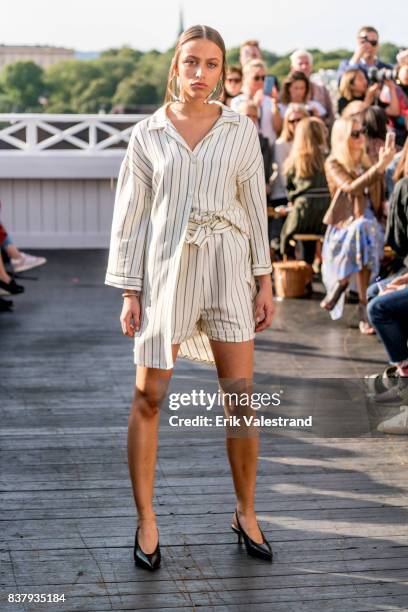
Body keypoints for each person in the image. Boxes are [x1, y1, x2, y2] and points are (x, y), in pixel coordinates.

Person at [105, 24, 274, 572]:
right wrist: (131, 290)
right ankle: (147, 520)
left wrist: (264, 277)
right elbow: (129, 218)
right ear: (174, 67)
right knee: (148, 397)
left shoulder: (240, 130)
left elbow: (254, 207)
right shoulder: (147, 135)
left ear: (223, 71)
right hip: (166, 271)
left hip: (228, 265)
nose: (200, 73)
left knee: (241, 398)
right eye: (190, 62)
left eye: (211, 64)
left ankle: (246, 512)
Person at [320, 116, 395, 333]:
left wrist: (379, 168)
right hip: (343, 228)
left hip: (371, 227)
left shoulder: (369, 161)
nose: (362, 137)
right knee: (362, 230)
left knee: (365, 229)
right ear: (343, 137)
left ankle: (343, 282)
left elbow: (379, 197)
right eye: (355, 134)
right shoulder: (334, 163)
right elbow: (351, 187)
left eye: (362, 131)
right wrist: (379, 168)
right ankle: (364, 307)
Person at [279, 117, 330, 263]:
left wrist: (292, 201)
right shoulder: (328, 158)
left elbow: (289, 187)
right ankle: (311, 265)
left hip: (303, 211)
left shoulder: (295, 160)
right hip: (325, 214)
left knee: (285, 235)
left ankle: (291, 265)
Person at [230, 59, 282, 147]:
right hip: (247, 148)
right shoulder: (237, 101)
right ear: (246, 78)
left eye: (264, 78)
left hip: (269, 149)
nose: (261, 81)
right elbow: (239, 128)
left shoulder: (270, 100)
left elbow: (278, 129)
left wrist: (275, 103)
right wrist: (255, 104)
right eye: (256, 78)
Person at [289, 49, 334, 128]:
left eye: (307, 63)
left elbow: (331, 115)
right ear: (292, 68)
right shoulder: (286, 91)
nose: (304, 67)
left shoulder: (321, 89)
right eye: (300, 64)